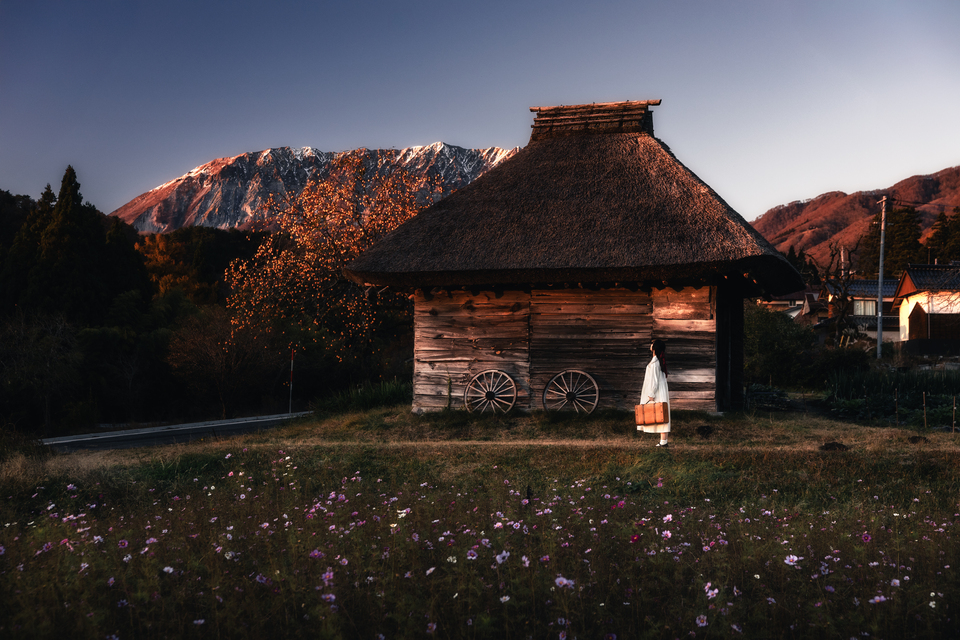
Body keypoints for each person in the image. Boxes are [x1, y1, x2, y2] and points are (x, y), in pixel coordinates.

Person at [639, 339, 671, 446]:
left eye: (652, 344)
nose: (650, 345)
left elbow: (655, 380)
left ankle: (663, 442)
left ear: (655, 347)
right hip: (660, 390)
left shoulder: (656, 362)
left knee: (661, 414)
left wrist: (651, 393)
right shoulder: (658, 361)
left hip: (657, 391)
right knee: (662, 414)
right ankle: (664, 441)